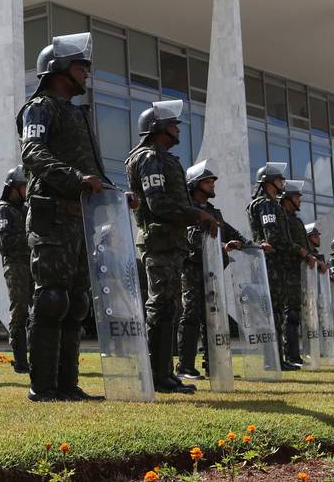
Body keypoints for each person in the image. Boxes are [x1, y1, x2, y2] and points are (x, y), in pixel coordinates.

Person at [17, 33, 107, 402]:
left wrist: (117, 194)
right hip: (51, 216)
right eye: (80, 65)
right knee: (51, 299)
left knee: (77, 302)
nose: (86, 72)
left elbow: (92, 169)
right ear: (57, 69)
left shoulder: (76, 114)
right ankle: (43, 387)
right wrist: (74, 179)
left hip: (79, 220)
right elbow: (32, 152)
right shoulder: (39, 107)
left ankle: (68, 385)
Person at [125, 102, 216, 394]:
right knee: (162, 306)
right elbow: (158, 203)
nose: (178, 129)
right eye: (173, 125)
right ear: (158, 128)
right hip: (158, 241)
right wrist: (197, 214)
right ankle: (156, 374)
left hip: (170, 243)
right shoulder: (150, 158)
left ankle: (164, 372)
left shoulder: (162, 158)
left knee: (169, 307)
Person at [177, 160, 246, 381]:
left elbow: (232, 234)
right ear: (196, 184)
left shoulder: (214, 212)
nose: (212, 185)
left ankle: (214, 365)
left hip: (212, 272)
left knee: (213, 317)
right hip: (193, 270)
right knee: (191, 316)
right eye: (208, 181)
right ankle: (185, 367)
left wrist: (248, 243)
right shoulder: (188, 209)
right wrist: (222, 249)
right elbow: (192, 242)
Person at [246, 163, 303, 372]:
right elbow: (273, 237)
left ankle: (277, 358)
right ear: (268, 182)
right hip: (270, 264)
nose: (282, 183)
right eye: (279, 180)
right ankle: (272, 360)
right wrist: (296, 250)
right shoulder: (265, 204)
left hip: (276, 264)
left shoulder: (272, 204)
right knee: (273, 313)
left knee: (277, 312)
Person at [0, 166, 33, 374]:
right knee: (20, 312)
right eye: (25, 185)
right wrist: (32, 241)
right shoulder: (3, 210)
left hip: (32, 264)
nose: (28, 189)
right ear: (14, 187)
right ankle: (20, 362)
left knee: (38, 312)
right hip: (16, 265)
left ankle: (38, 357)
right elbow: (6, 241)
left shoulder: (24, 209)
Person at [279, 180, 319, 367]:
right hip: (287, 271)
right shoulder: (283, 218)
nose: (300, 200)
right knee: (290, 314)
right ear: (287, 198)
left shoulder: (295, 220)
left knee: (295, 313)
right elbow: (286, 243)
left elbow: (305, 245)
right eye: (296, 196)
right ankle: (290, 355)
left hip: (298, 272)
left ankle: (294, 355)